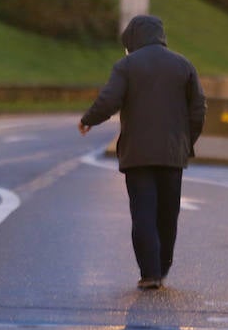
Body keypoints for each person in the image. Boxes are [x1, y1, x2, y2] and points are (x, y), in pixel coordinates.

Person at [79, 15, 207, 290]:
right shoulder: (183, 65)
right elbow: (198, 109)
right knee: (168, 213)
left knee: (143, 213)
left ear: (133, 39)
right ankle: (163, 267)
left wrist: (89, 119)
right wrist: (185, 140)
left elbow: (109, 100)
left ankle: (149, 273)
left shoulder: (126, 66)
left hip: (137, 155)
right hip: (173, 154)